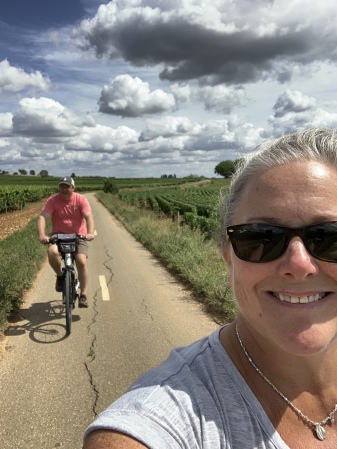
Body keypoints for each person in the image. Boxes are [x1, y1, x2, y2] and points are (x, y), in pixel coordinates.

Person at [83, 127, 337, 448]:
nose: (299, 264)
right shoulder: (156, 425)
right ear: (228, 257)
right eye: (259, 237)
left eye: (330, 237)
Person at [37, 176, 95, 308]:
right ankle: (60, 277)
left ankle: (83, 294)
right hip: (59, 235)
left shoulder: (80, 199)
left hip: (78, 235)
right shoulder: (53, 200)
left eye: (67, 186)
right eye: (62, 186)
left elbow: (88, 216)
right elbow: (42, 217)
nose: (64, 189)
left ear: (73, 188)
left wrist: (90, 232)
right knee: (52, 251)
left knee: (81, 260)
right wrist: (42, 235)